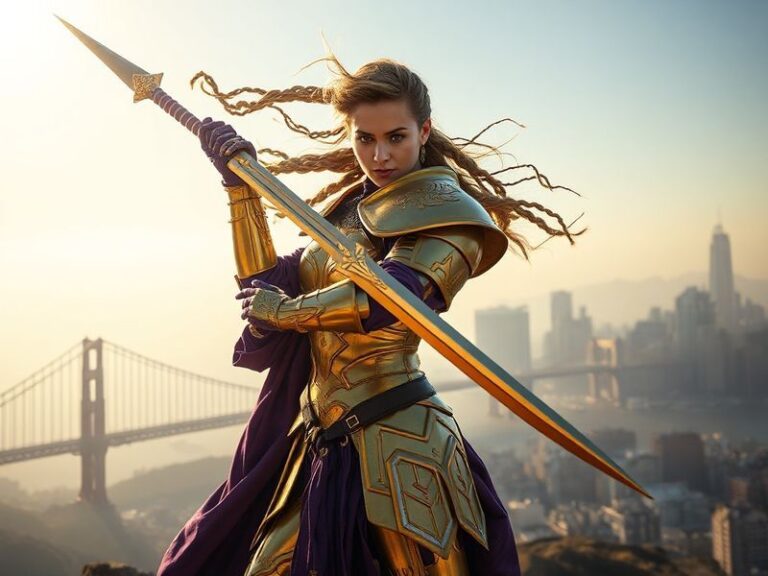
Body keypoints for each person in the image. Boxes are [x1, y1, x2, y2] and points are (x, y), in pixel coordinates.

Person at [157, 57, 582, 576]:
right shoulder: (350, 210)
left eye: (396, 137)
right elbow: (267, 281)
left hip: (404, 441)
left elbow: (390, 297)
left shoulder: (452, 218)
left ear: (424, 131)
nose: (379, 156)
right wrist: (239, 189)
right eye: (365, 139)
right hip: (322, 435)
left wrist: (285, 312)